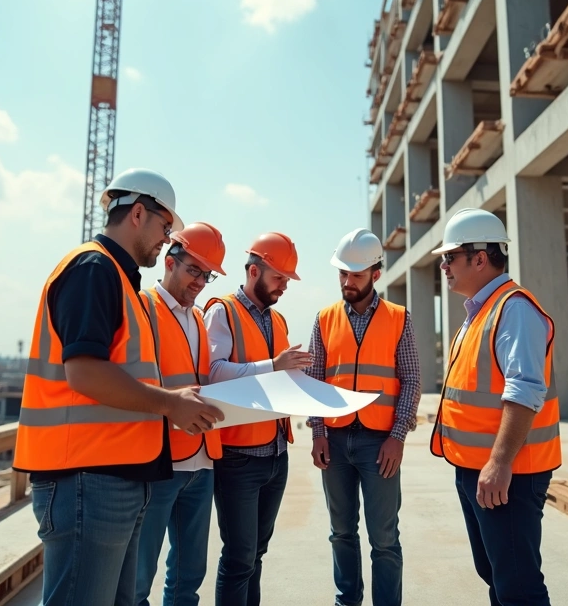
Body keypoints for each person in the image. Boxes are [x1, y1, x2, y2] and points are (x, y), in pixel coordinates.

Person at [12, 168, 224, 606]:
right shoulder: (93, 269)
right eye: (165, 228)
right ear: (138, 213)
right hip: (85, 480)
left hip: (116, 476)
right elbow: (85, 372)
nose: (167, 238)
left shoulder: (121, 281)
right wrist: (170, 405)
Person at [427, 208, 561, 606]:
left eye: (449, 257)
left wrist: (500, 462)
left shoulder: (513, 309)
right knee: (497, 575)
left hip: (509, 475)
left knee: (518, 586)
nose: (444, 266)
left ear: (480, 257)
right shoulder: (480, 311)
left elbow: (524, 391)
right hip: (479, 471)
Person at [305, 228, 420, 606]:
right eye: (342, 272)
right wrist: (318, 433)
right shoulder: (324, 319)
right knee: (341, 532)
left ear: (376, 273)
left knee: (384, 538)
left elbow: (411, 379)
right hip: (335, 442)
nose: (346, 281)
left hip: (379, 442)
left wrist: (398, 436)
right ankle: (347, 601)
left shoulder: (399, 318)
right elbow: (314, 380)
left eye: (355, 274)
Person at [202, 232, 311, 606]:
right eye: (279, 278)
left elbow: (274, 380)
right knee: (238, 559)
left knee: (256, 556)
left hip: (275, 456)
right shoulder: (222, 311)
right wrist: (272, 366)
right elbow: (212, 373)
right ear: (253, 271)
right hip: (238, 459)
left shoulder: (277, 321)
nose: (284, 286)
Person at [135, 222, 228, 606]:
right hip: (160, 462)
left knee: (188, 577)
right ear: (169, 262)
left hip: (202, 461)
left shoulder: (198, 319)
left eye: (206, 276)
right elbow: (134, 384)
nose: (200, 282)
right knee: (138, 576)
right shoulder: (144, 308)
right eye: (194, 270)